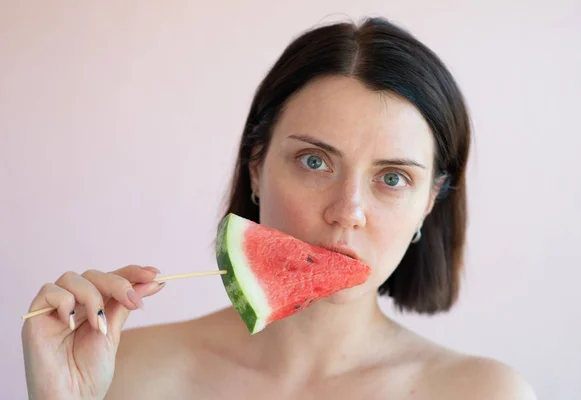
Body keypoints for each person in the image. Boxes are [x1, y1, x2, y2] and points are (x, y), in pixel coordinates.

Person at [21, 17, 537, 399]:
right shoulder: (124, 373)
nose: (347, 211)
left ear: (429, 203)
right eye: (315, 161)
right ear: (255, 166)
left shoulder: (484, 392)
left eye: (393, 177)